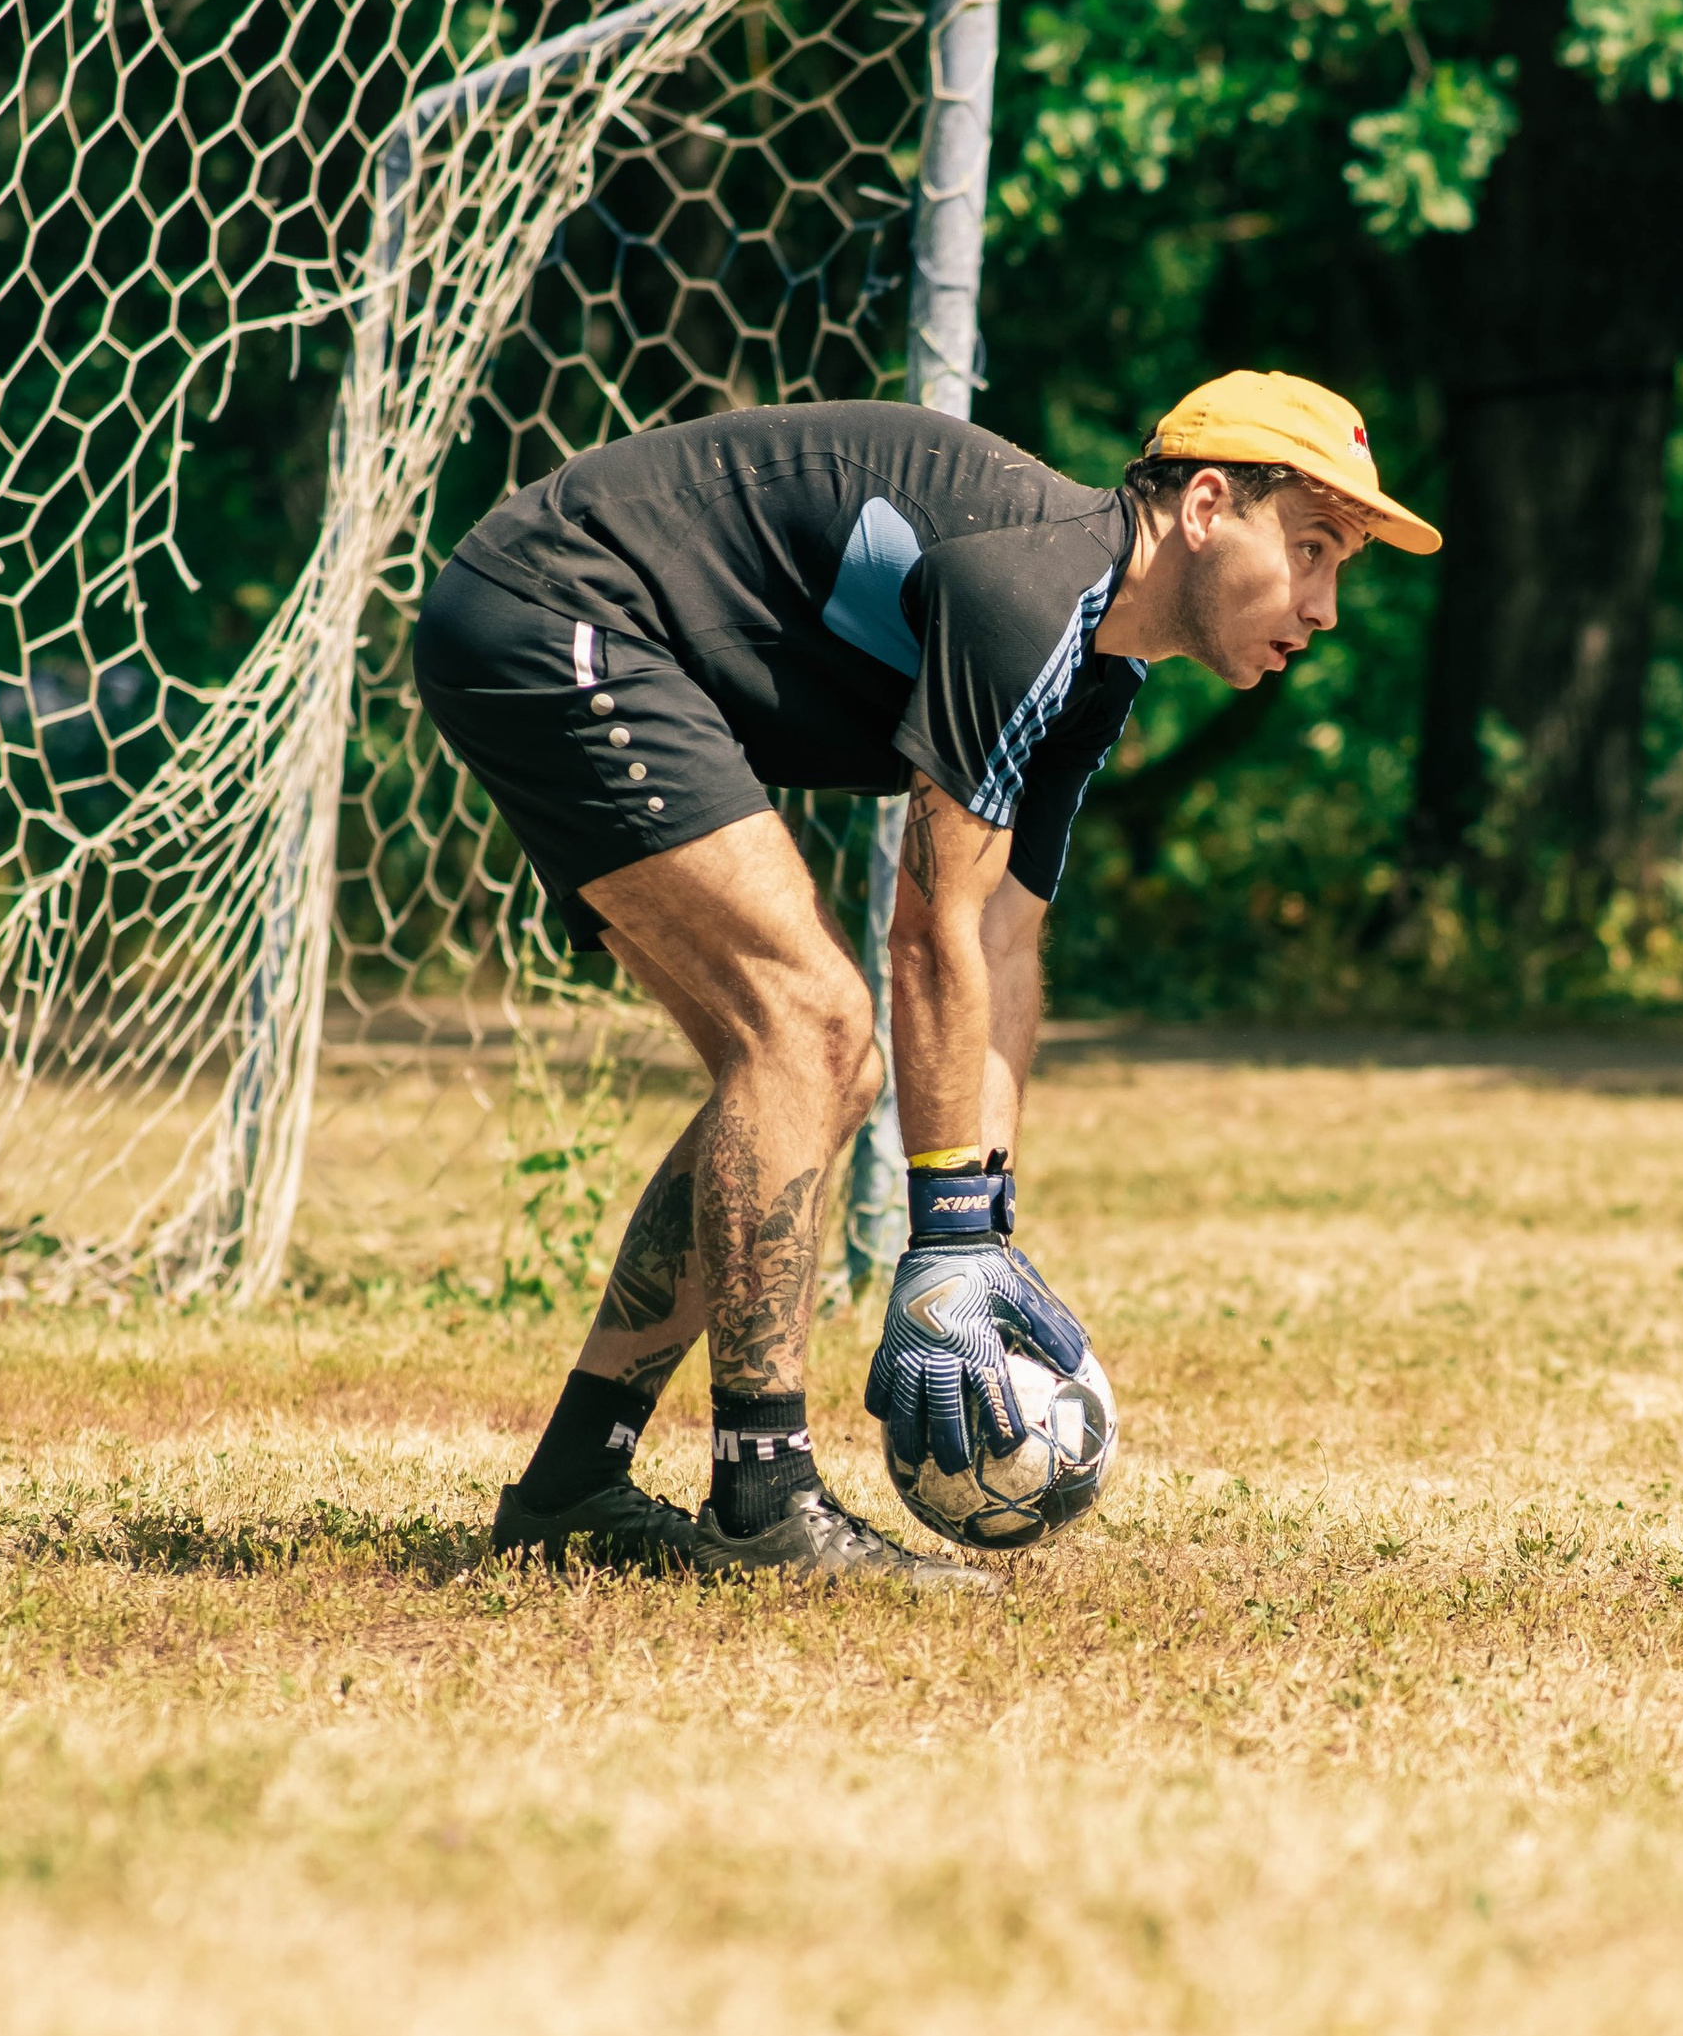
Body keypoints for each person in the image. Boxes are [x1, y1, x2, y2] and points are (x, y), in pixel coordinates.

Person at [412, 371, 1439, 1582]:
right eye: (1311, 548)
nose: (1322, 606)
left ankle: (573, 1483)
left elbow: (1001, 936)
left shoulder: (1096, 666)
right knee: (813, 1030)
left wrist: (982, 1234)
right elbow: (929, 927)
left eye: (1340, 570)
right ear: (1206, 505)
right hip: (559, 607)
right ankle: (762, 1497)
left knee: (810, 1071)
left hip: (577, 626)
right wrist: (940, 1242)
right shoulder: (1030, 588)